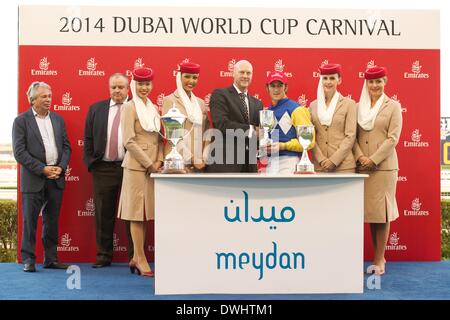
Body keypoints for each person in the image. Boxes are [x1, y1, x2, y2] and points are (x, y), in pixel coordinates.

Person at [12, 81, 71, 272]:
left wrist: (60, 168)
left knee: (51, 220)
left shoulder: (58, 120)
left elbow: (66, 147)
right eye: (44, 96)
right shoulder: (21, 121)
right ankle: (28, 259)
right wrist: (43, 169)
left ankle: (51, 259)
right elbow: (19, 152)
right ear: (33, 100)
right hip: (34, 178)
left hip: (56, 177)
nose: (48, 99)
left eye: (50, 96)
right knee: (29, 221)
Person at [353, 66, 403, 275]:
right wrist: (360, 157)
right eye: (371, 82)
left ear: (385, 82)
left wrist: (373, 159)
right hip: (361, 167)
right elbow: (351, 136)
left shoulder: (394, 106)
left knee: (381, 215)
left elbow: (393, 138)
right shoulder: (357, 107)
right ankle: (376, 257)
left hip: (383, 168)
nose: (374, 85)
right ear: (366, 83)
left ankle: (379, 259)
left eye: (378, 81)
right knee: (369, 214)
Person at [83, 73, 134, 268]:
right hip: (103, 168)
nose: (117, 90)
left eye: (121, 87)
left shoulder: (137, 107)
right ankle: (104, 256)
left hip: (131, 166)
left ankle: (134, 256)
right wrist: (91, 162)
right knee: (104, 214)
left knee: (132, 213)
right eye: (113, 87)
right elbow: (88, 138)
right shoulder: (96, 109)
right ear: (109, 88)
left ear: (128, 88)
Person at [117, 67, 163, 277]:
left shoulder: (153, 107)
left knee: (145, 215)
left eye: (148, 84)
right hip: (136, 166)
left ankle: (136, 257)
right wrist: (149, 163)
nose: (144, 88)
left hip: (153, 165)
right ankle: (141, 258)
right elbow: (129, 140)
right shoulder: (129, 107)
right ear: (134, 85)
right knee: (136, 214)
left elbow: (159, 137)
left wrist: (160, 159)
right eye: (141, 84)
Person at [206, 60, 263, 172]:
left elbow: (258, 134)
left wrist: (265, 139)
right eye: (242, 72)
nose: (245, 76)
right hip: (225, 162)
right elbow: (221, 124)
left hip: (249, 166)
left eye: (248, 73)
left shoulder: (257, 103)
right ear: (233, 73)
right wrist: (251, 130)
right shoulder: (220, 94)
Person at [263, 71, 315, 174]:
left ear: (286, 87)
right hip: (271, 162)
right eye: (273, 86)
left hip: (289, 161)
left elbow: (309, 142)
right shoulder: (268, 111)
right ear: (267, 88)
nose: (276, 89)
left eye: (280, 86)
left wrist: (283, 146)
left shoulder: (296, 109)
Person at [162, 62, 210, 172]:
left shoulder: (201, 103)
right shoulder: (169, 100)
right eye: (187, 76)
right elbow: (172, 135)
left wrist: (204, 158)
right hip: (177, 163)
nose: (191, 81)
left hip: (200, 165)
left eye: (195, 77)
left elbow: (207, 133)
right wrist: (192, 159)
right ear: (179, 77)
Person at [309, 64, 357, 172]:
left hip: (344, 166)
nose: (328, 82)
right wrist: (321, 159)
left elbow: (350, 136)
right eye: (325, 78)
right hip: (320, 166)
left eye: (332, 78)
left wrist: (334, 160)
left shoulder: (349, 104)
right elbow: (310, 136)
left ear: (339, 80)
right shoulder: (313, 106)